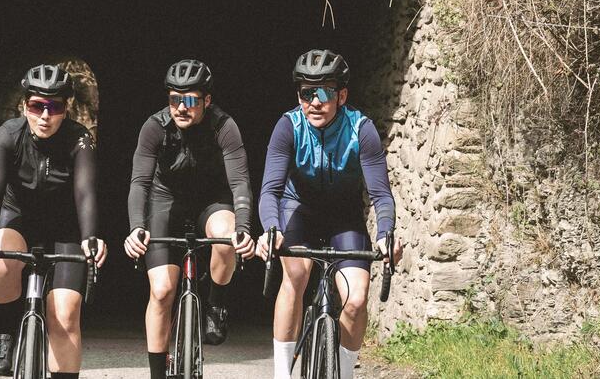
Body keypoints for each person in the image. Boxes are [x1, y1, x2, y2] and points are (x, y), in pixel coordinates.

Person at [255, 50, 399, 379]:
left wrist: (385, 234)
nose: (315, 102)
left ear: (342, 96)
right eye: (308, 93)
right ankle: (282, 374)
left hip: (344, 218)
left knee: (356, 299)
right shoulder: (288, 127)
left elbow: (380, 194)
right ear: (299, 96)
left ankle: (345, 374)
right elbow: (270, 191)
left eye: (325, 93)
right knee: (295, 276)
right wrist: (272, 229)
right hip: (298, 211)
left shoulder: (361, 129)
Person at [0, 65, 107, 378]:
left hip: (65, 228)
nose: (45, 116)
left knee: (65, 316)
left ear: (65, 110)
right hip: (18, 217)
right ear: (24, 106)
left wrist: (90, 237)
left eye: (54, 107)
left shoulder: (79, 139)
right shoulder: (7, 135)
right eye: (36, 106)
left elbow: (85, 192)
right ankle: (4, 333)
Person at [124, 59, 257, 379]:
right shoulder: (155, 127)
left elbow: (240, 182)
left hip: (212, 201)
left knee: (226, 239)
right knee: (161, 291)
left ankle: (215, 304)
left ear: (207, 100)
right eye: (174, 99)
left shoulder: (224, 126)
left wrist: (243, 228)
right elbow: (139, 183)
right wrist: (136, 227)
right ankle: (158, 373)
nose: (181, 107)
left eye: (190, 100)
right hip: (165, 201)